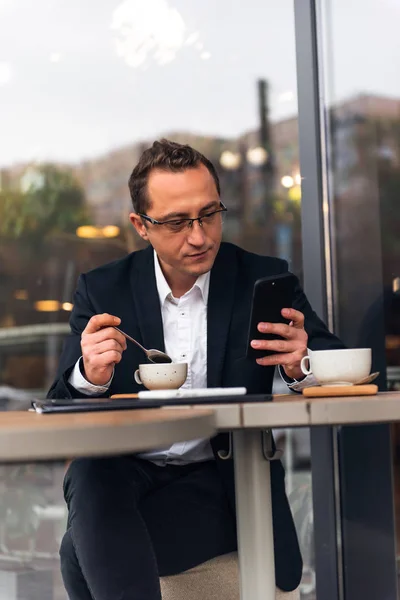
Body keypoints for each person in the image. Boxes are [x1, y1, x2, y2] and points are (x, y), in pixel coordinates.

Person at [48, 139, 344, 600]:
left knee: (74, 549)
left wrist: (301, 363)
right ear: (140, 226)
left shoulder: (260, 278)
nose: (199, 236)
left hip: (222, 476)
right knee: (90, 474)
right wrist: (91, 374)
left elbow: (343, 369)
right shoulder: (104, 289)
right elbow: (59, 403)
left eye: (209, 214)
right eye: (175, 222)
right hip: (129, 476)